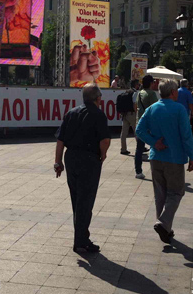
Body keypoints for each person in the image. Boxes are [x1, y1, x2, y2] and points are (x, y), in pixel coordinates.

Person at [136, 79, 193, 244]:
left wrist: (154, 142)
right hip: (174, 158)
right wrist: (192, 156)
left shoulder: (152, 108)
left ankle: (164, 228)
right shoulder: (179, 109)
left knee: (160, 194)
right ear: (173, 92)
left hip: (156, 157)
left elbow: (139, 129)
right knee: (176, 192)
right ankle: (163, 223)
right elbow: (186, 135)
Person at [54, 84, 110, 253]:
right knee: (86, 201)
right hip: (89, 159)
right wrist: (103, 155)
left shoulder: (71, 113)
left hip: (71, 158)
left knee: (76, 199)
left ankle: (81, 237)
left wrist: (58, 162)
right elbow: (105, 140)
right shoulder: (99, 115)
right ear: (97, 98)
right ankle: (81, 241)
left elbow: (60, 140)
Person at [134, 75, 158, 179]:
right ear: (151, 83)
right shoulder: (151, 94)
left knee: (139, 149)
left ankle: (138, 171)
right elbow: (156, 109)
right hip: (150, 125)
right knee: (155, 147)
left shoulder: (140, 93)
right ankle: (157, 171)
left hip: (140, 123)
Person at [119, 79, 139, 155]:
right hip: (132, 114)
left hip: (124, 114)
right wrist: (136, 113)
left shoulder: (126, 92)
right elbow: (134, 104)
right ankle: (140, 147)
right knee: (137, 132)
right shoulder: (135, 93)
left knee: (123, 133)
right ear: (136, 85)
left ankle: (123, 149)